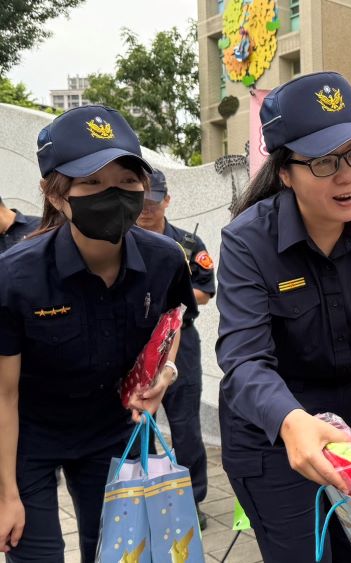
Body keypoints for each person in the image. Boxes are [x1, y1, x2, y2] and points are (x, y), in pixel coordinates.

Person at [215, 71, 351, 563]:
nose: (348, 174)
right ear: (285, 171)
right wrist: (291, 422)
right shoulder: (248, 242)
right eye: (325, 161)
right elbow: (244, 360)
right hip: (273, 433)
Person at [0, 105, 196, 562]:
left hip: (112, 433)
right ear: (55, 194)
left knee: (116, 552)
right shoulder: (14, 279)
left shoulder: (165, 259)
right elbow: (4, 395)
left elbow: (172, 326)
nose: (114, 195)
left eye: (127, 181)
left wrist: (163, 376)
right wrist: (5, 492)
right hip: (31, 436)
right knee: (35, 554)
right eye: (92, 183)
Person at [136, 169, 214, 530]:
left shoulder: (187, 245)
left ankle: (192, 498)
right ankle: (145, 493)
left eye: (153, 201)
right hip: (135, 346)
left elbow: (206, 290)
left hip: (181, 343)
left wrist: (171, 298)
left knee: (185, 426)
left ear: (166, 201)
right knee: (139, 423)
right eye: (141, 201)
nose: (146, 209)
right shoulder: (123, 240)